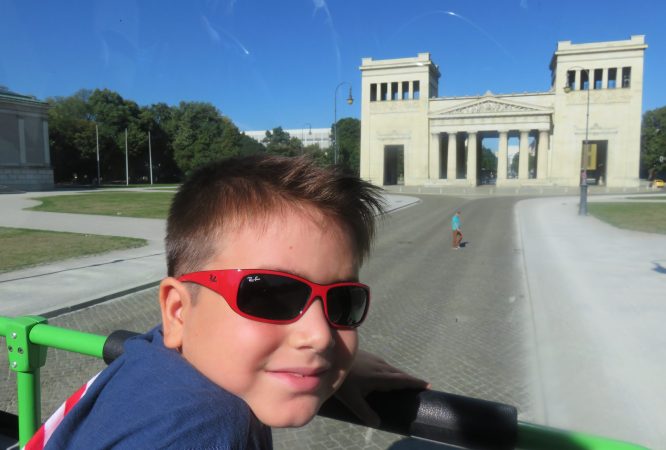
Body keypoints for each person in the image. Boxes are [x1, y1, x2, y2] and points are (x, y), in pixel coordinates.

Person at [31, 155, 427, 450]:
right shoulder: (207, 430)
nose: (320, 335)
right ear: (178, 312)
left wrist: (333, 364)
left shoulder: (156, 362)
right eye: (270, 295)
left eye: (341, 303)